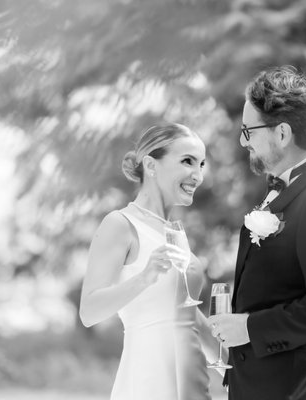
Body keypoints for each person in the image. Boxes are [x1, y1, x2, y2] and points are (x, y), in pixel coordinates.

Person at [208, 65, 306, 400]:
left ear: (282, 134)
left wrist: (248, 327)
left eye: (249, 131)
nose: (242, 141)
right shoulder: (281, 191)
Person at [80, 123, 217, 400]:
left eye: (201, 164)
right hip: (147, 381)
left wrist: (237, 367)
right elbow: (89, 311)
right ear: (151, 165)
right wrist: (145, 277)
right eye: (187, 161)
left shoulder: (175, 232)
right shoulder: (119, 224)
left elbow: (189, 317)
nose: (198, 175)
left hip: (190, 382)